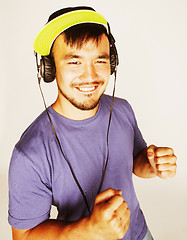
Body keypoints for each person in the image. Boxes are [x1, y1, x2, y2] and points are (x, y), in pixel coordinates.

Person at [8, 6, 177, 240]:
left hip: (140, 234)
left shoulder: (122, 109)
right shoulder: (30, 153)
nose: (90, 75)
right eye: (74, 62)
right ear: (49, 69)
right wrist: (90, 230)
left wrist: (153, 164)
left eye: (100, 60)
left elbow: (135, 162)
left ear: (113, 63)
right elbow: (24, 235)